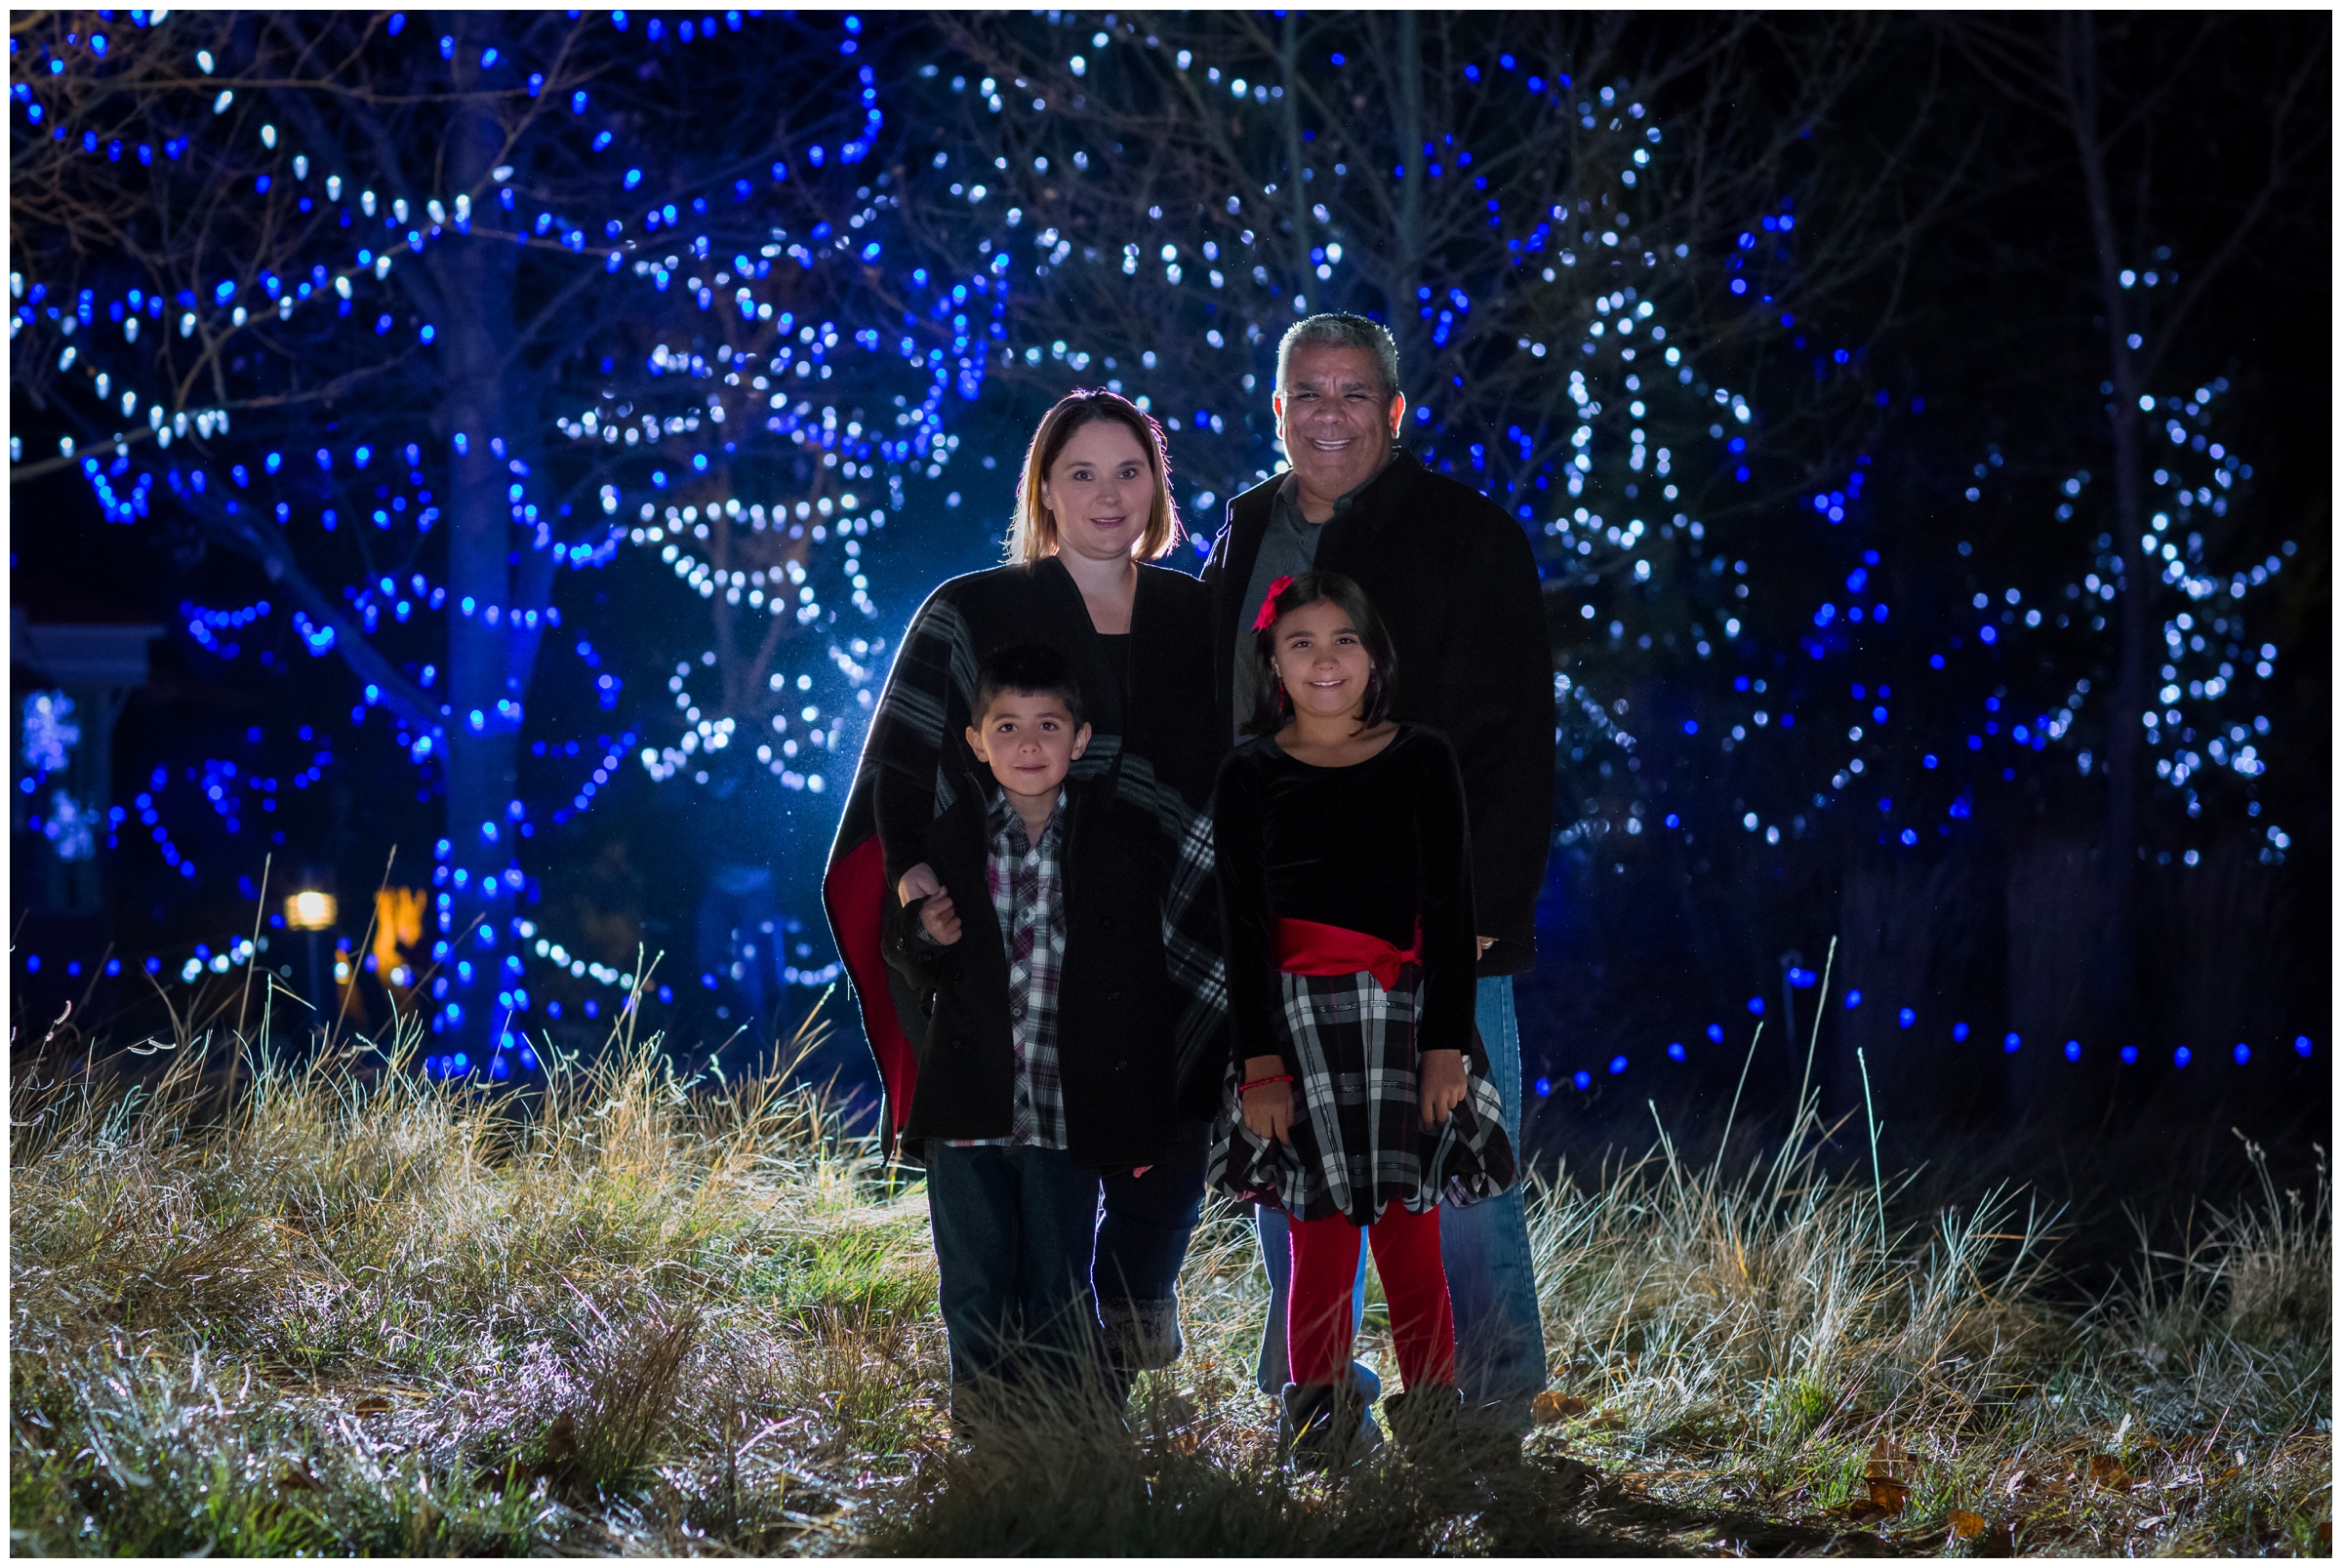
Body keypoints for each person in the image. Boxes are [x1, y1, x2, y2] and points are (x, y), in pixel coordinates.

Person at [1202, 313, 1555, 1454]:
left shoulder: (1465, 534)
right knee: (1293, 1179)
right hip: (1282, 926)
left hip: (1429, 926)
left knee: (1456, 1174)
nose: (1330, 415)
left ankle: (1484, 1407)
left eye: (1355, 395)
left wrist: (1491, 918)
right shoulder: (1248, 525)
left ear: (1396, 413)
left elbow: (1514, 739)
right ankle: (1321, 1396)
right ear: (1277, 409)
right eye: (1308, 393)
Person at [827, 390, 1228, 1383]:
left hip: (1175, 946)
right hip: (1022, 960)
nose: (1107, 494)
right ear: (1044, 489)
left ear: (1158, 486)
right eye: (1081, 473)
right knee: (1019, 1230)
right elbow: (901, 765)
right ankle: (1039, 1435)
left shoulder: (1202, 616)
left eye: (1130, 471)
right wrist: (917, 875)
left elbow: (1247, 770)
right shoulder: (976, 606)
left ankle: (1121, 1351)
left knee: (1160, 1181)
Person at [1206, 572, 1514, 1468]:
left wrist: (1446, 1045)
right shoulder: (1250, 770)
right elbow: (1241, 926)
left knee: (1413, 1235)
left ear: (1374, 653)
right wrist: (1259, 1063)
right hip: (1297, 1031)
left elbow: (1452, 913)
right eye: (1300, 642)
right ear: (1272, 662)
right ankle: (1322, 1426)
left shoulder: (1421, 756)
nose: (1324, 659)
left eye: (1343, 638)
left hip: (1405, 1024)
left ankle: (1433, 1421)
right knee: (1320, 1238)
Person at [882, 644, 1188, 1429]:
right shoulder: (949, 841)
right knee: (978, 1282)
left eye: (1047, 725)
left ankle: (1066, 1437)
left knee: (1058, 1281)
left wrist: (1138, 1111)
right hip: (968, 1111)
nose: (1027, 744)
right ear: (976, 742)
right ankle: (986, 1437)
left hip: (1064, 1113)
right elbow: (907, 962)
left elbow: (1140, 989)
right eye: (1007, 726)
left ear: (1079, 740)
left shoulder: (1113, 840)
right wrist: (924, 935)